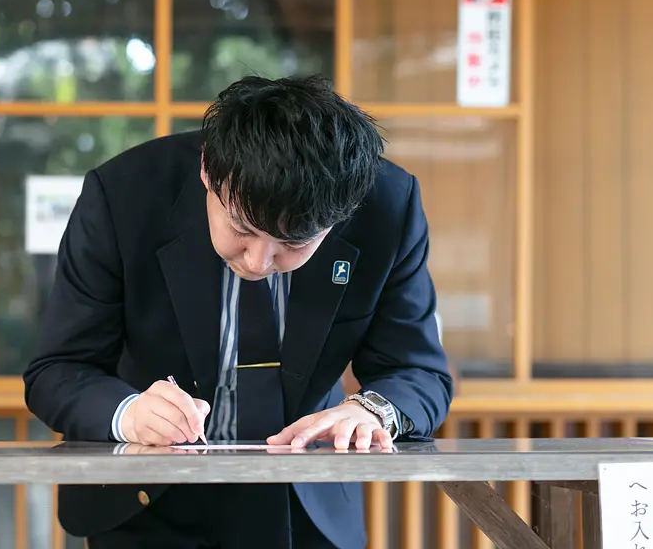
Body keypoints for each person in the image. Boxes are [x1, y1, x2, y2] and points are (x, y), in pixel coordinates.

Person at [23, 75, 454, 549]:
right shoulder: (123, 195)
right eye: (241, 227)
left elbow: (418, 370)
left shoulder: (388, 207)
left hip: (307, 498)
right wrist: (128, 414)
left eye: (293, 243)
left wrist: (371, 410)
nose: (257, 262)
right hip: (149, 498)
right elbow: (58, 369)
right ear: (208, 171)